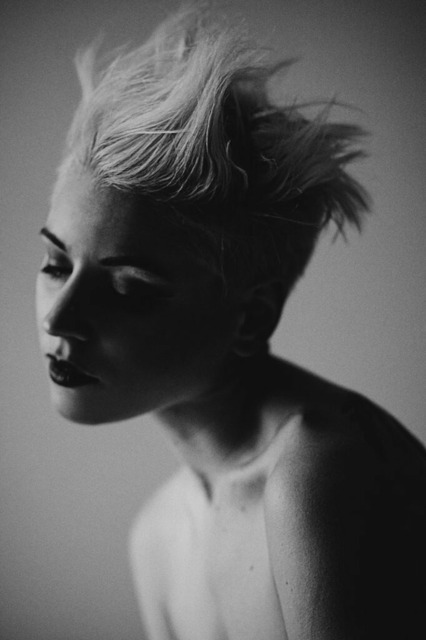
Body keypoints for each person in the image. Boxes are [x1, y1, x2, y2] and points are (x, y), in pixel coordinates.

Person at [35, 5, 426, 639]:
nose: (60, 317)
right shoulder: (156, 535)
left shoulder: (316, 472)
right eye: (55, 264)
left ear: (252, 318)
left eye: (128, 288)